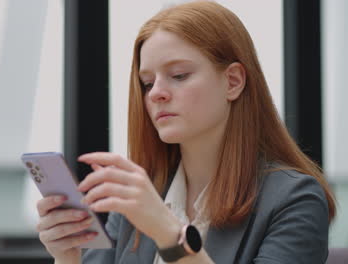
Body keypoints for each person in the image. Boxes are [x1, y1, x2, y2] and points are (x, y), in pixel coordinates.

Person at [35, 1, 336, 263]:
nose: (156, 94)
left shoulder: (294, 200)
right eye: (147, 83)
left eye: (179, 75)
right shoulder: (139, 199)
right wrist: (67, 257)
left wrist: (168, 234)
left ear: (233, 82)